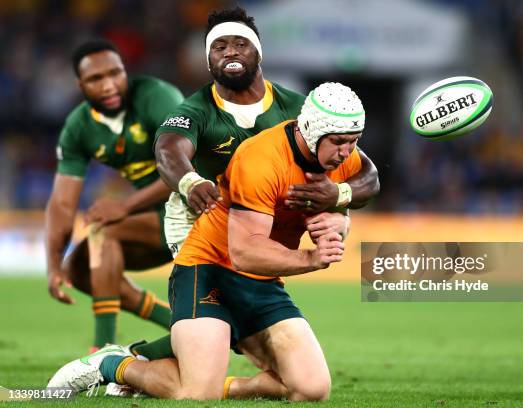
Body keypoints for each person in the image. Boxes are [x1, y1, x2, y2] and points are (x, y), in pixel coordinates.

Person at [48, 82, 371, 402]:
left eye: (353, 142)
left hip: (262, 280)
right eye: (339, 142)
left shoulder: (340, 155)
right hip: (210, 269)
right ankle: (113, 364)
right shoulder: (261, 158)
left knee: (312, 389)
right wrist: (312, 258)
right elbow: (245, 253)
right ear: (312, 129)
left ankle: (222, 386)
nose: (345, 152)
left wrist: (340, 218)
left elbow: (369, 180)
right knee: (198, 393)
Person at [119, 6, 379, 362]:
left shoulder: (299, 108)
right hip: (199, 219)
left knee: (235, 319)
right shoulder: (196, 110)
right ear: (208, 59)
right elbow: (168, 149)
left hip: (260, 220)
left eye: (240, 43)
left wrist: (338, 198)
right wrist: (190, 181)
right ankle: (132, 361)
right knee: (226, 307)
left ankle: (133, 360)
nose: (229, 51)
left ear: (259, 52)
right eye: (219, 46)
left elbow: (361, 170)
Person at [44, 39, 184, 352]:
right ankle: (177, 323)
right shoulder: (79, 127)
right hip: (156, 220)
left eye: (115, 73)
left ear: (125, 72)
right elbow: (62, 202)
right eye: (96, 79)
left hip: (196, 211)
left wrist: (125, 206)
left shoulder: (157, 98)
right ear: (80, 85)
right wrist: (53, 265)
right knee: (76, 270)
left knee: (102, 232)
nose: (109, 85)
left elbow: (187, 172)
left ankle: (102, 350)